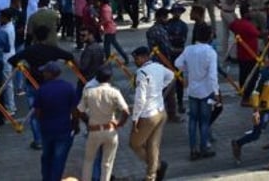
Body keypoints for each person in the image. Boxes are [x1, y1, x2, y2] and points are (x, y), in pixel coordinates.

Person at [231, 48, 269, 173]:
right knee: (256, 134)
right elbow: (255, 92)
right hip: (264, 110)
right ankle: (238, 143)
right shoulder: (264, 74)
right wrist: (256, 111)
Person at [174, 24, 220, 160]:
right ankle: (204, 147)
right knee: (204, 121)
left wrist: (187, 69)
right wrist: (216, 92)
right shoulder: (210, 52)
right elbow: (213, 75)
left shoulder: (189, 49)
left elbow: (177, 63)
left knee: (192, 120)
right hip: (206, 91)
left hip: (192, 91)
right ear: (209, 36)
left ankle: (193, 149)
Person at [78, 66, 130, 181]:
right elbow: (126, 111)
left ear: (96, 78)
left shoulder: (89, 92)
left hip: (94, 130)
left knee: (88, 161)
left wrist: (87, 121)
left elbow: (80, 111)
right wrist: (120, 123)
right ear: (110, 78)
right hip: (110, 130)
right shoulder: (115, 92)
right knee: (107, 163)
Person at [129, 45, 174, 181]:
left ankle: (157, 167)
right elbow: (171, 76)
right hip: (160, 111)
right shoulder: (159, 67)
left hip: (148, 115)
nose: (135, 61)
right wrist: (159, 89)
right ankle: (151, 176)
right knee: (153, 145)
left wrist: (135, 118)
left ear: (144, 57)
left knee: (135, 144)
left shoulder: (142, 73)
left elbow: (140, 99)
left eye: (136, 58)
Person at [34, 61, 80, 181]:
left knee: (46, 157)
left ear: (50, 74)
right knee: (59, 159)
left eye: (44, 72)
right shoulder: (68, 87)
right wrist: (76, 125)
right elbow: (74, 110)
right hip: (64, 130)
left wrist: (43, 122)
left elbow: (37, 113)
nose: (43, 74)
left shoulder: (42, 90)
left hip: (47, 129)